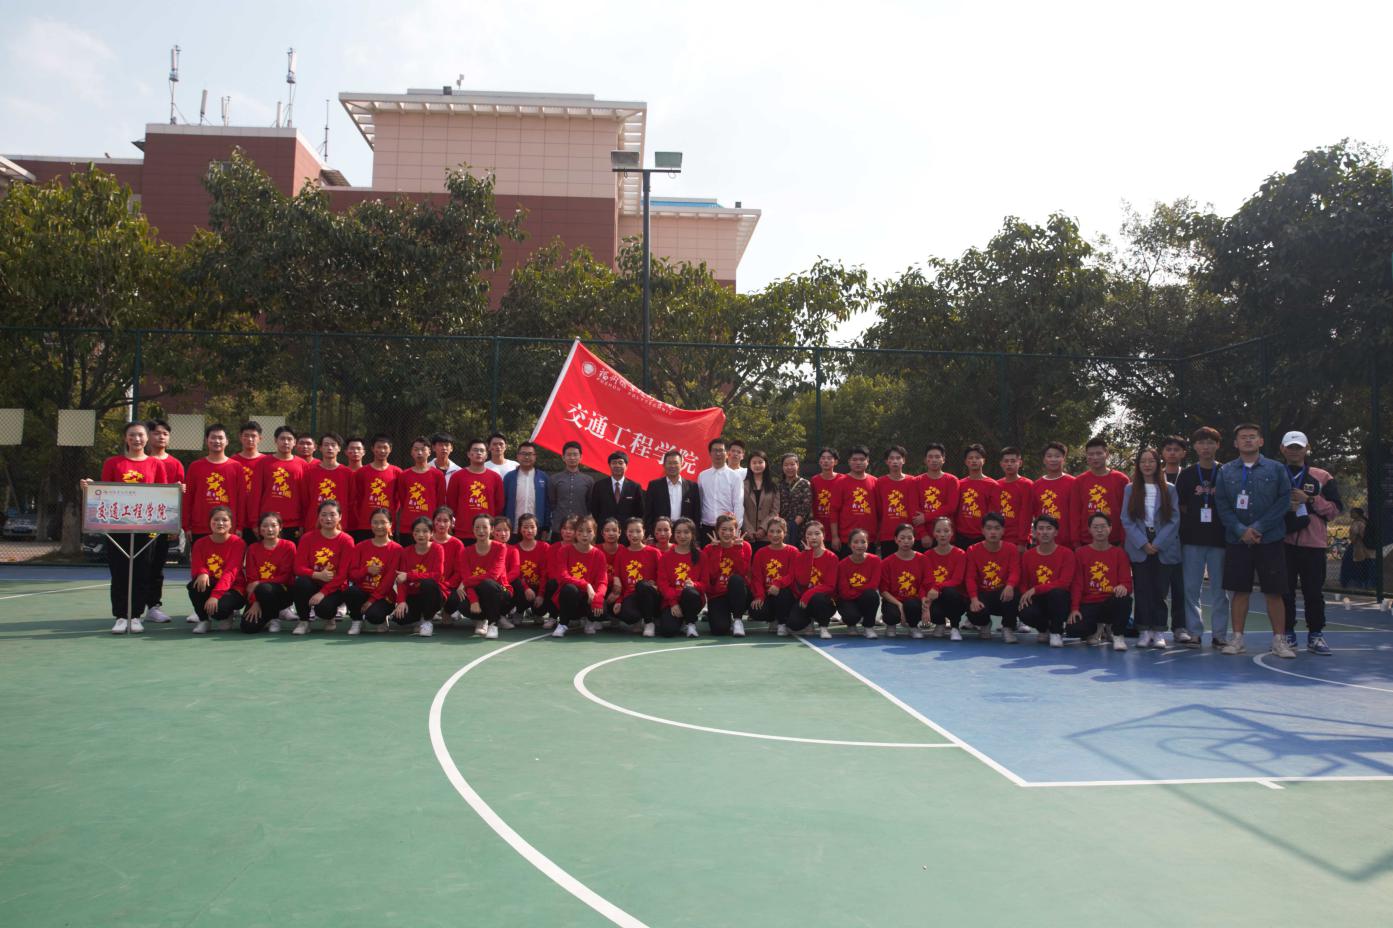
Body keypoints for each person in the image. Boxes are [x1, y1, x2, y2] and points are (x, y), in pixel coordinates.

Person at [1214, 423, 1295, 658]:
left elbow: (1283, 501)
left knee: (1274, 592)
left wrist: (1258, 528)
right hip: (1238, 541)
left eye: (1252, 437)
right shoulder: (1225, 471)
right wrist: (1241, 530)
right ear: (1235, 443)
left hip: (1270, 539)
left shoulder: (1276, 468)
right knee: (1239, 591)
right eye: (1243, 437)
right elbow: (1222, 505)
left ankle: (1279, 641)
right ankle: (1237, 639)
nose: (1248, 440)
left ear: (1261, 441)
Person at [82, 421, 165, 634]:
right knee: (119, 571)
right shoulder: (113, 463)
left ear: (147, 438)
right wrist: (90, 487)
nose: (137, 439)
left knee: (142, 571)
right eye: (132, 435)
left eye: (140, 435)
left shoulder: (156, 464)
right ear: (125, 438)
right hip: (118, 527)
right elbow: (104, 492)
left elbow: (163, 494)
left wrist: (176, 491)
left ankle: (135, 615)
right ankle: (121, 616)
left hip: (146, 527)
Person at [1280, 430, 1343, 656]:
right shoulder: (1275, 473)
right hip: (1283, 542)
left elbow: (1335, 510)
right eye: (1290, 447)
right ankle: (1287, 633)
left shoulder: (1322, 476)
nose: (1294, 451)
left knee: (1313, 592)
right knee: (1284, 592)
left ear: (1307, 448)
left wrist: (1311, 499)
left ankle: (1315, 634)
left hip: (1314, 544)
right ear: (1282, 449)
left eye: (1299, 447)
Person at [1121, 447, 1181, 649]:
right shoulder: (1130, 489)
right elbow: (1126, 519)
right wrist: (1143, 543)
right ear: (1138, 465)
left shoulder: (1169, 489)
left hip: (1163, 544)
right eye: (1143, 461)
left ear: (1158, 464)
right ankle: (1144, 630)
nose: (1147, 465)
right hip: (1139, 544)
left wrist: (1157, 543)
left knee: (1160, 590)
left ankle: (1159, 630)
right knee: (1142, 589)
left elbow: (1174, 519)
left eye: (1151, 461)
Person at [1176, 426, 1229, 648]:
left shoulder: (1226, 472)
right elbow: (1181, 505)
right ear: (1195, 447)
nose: (1206, 447)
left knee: (1220, 590)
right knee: (1191, 589)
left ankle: (1220, 634)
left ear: (1218, 445)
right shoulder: (1187, 474)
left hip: (1220, 539)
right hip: (1192, 539)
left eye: (1210, 442)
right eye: (1201, 442)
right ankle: (1194, 632)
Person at [1067, 513, 1133, 650]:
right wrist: (1074, 609)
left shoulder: (1119, 553)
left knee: (1125, 599)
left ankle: (1117, 634)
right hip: (1089, 603)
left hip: (1110, 601)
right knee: (1074, 629)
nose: (1099, 530)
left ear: (1110, 528)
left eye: (1103, 526)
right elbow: (1077, 584)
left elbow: (1127, 582)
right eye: (1095, 527)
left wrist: (1123, 586)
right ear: (1089, 530)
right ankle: (1097, 628)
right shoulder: (1080, 553)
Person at [289, 500, 355, 635]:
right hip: (313, 582)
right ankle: (304, 621)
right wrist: (317, 575)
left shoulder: (346, 540)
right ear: (318, 517)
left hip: (335, 587)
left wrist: (323, 593)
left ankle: (330, 617)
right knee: (301, 583)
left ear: (340, 517)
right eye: (324, 515)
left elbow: (343, 574)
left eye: (332, 514)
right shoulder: (307, 538)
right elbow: (298, 567)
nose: (328, 518)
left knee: (324, 610)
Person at [143, 418, 183, 626]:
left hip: (163, 524)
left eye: (165, 434)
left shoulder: (175, 464)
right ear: (148, 436)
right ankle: (131, 608)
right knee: (139, 565)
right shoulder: (139, 461)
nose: (161, 437)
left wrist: (175, 524)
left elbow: (180, 497)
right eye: (156, 433)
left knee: (157, 565)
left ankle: (153, 606)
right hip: (138, 523)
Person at [1018, 515, 1077, 647]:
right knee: (1025, 611)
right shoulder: (1028, 555)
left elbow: (1064, 583)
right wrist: (1024, 595)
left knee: (1057, 593)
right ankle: (1043, 628)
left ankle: (1056, 632)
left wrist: (1035, 589)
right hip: (1038, 599)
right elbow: (1023, 582)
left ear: (1056, 532)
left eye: (1049, 528)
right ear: (1034, 532)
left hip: (1059, 600)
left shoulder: (1067, 554)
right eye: (1041, 528)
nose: (1044, 532)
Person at [186, 506, 247, 634]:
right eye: (216, 519)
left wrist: (215, 596)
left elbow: (230, 572)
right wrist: (202, 572)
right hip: (212, 582)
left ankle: (227, 614)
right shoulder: (200, 543)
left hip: (234, 587)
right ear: (209, 522)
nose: (220, 523)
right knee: (195, 585)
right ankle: (204, 620)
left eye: (224, 520)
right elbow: (197, 565)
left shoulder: (238, 543)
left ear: (231, 524)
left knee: (220, 610)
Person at [183, 423, 243, 551]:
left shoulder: (236, 467)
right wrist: (186, 526)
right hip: (200, 527)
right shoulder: (195, 466)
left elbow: (241, 499)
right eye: (213, 437)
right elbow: (188, 498)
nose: (217, 441)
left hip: (227, 527)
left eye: (220, 438)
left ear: (227, 441)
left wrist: (239, 526)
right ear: (206, 441)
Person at [342, 509, 401, 636]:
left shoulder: (397, 549)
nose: (379, 526)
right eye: (375, 522)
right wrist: (366, 570)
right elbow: (351, 574)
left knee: (374, 616)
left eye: (383, 522)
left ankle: (382, 618)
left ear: (391, 524)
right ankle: (357, 620)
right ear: (370, 524)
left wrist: (371, 600)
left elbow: (389, 581)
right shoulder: (361, 546)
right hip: (362, 592)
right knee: (351, 592)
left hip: (383, 595)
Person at [551, 514, 609, 638]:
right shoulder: (565, 551)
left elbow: (602, 581)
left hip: (589, 597)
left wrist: (598, 598)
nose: (584, 535)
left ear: (594, 533)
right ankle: (563, 623)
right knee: (569, 589)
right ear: (575, 533)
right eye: (580, 531)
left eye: (589, 531)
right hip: (572, 596)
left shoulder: (599, 555)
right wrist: (586, 585)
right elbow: (563, 576)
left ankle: (590, 620)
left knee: (602, 610)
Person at [966, 513, 1021, 641]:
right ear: (982, 530)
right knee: (973, 611)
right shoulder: (973, 550)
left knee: (1014, 594)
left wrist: (1010, 585)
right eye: (989, 528)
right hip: (983, 593)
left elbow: (1015, 571)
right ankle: (985, 624)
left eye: (997, 528)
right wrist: (974, 599)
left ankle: (1007, 627)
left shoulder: (1011, 549)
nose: (993, 532)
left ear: (1003, 531)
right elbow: (970, 577)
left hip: (1002, 593)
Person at [388, 517, 446, 636]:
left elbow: (437, 575)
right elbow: (401, 578)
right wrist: (401, 601)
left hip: (433, 594)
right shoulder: (406, 552)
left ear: (431, 533)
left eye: (425, 531)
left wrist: (409, 575)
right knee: (400, 619)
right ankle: (419, 619)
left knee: (427, 583)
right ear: (413, 534)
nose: (421, 535)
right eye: (417, 531)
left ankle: (427, 620)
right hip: (413, 594)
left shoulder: (437, 549)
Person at [241, 511, 297, 634]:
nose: (269, 529)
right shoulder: (253, 548)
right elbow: (251, 579)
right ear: (259, 530)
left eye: (273, 525)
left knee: (264, 588)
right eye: (265, 526)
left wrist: (259, 584)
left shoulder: (289, 546)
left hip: (283, 591)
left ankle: (274, 618)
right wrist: (255, 601)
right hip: (259, 593)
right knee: (248, 627)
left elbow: (286, 576)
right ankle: (268, 615)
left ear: (280, 527)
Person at [456, 512, 509, 639]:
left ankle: (493, 624)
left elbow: (493, 576)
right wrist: (473, 601)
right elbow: (466, 577)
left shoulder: (500, 548)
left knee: (488, 584)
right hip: (477, 591)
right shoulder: (465, 552)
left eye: (485, 527)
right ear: (473, 529)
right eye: (477, 527)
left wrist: (465, 583)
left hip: (501, 590)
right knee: (461, 601)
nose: (481, 531)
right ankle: (481, 619)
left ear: (492, 529)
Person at [250, 426, 309, 541]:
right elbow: (255, 494)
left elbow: (305, 497)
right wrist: (254, 522)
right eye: (282, 439)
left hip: (293, 523)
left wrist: (303, 522)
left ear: (294, 442)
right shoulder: (263, 463)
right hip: (268, 522)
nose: (286, 442)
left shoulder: (302, 465)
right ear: (275, 440)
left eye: (289, 439)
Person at [700, 514, 752, 636]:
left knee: (736, 579)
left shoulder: (745, 546)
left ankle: (738, 620)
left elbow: (742, 573)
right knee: (720, 629)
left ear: (736, 531)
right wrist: (717, 550)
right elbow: (712, 575)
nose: (727, 533)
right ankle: (717, 615)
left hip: (738, 592)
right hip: (718, 594)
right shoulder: (708, 548)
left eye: (731, 530)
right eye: (723, 529)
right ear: (717, 530)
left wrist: (737, 549)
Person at [1159, 435, 1189, 639]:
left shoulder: (1188, 475)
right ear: (1162, 453)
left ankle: (1180, 627)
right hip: (1159, 539)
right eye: (1168, 449)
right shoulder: (1153, 475)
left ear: (1183, 453)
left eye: (1176, 449)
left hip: (1183, 537)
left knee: (1181, 585)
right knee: (1159, 586)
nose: (1172, 453)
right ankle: (1157, 626)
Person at [1075, 436, 1129, 546]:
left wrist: (1124, 540)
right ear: (1086, 456)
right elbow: (1075, 513)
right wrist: (1076, 542)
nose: (1095, 457)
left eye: (1099, 453)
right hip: (1086, 541)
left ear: (1107, 454)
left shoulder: (1121, 480)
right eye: (1091, 454)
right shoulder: (1079, 481)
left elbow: (1126, 514)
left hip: (1114, 540)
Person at [789, 521, 839, 638]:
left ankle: (823, 627)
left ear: (823, 536)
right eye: (809, 534)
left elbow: (830, 586)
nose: (813, 537)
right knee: (793, 624)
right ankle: (809, 621)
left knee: (818, 598)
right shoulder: (800, 556)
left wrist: (808, 595)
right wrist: (807, 555)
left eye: (817, 533)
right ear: (805, 537)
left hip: (824, 601)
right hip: (804, 600)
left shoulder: (832, 557)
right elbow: (802, 582)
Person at [922, 516, 969, 639]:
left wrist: (937, 587)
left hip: (955, 597)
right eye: (938, 531)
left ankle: (955, 627)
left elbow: (957, 580)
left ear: (952, 533)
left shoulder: (960, 554)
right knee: (926, 606)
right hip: (935, 596)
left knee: (950, 591)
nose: (942, 534)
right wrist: (926, 600)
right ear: (933, 534)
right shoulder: (927, 555)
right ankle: (940, 623)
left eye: (946, 531)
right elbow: (926, 580)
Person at [657, 517, 705, 638]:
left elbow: (706, 584)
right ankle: (680, 621)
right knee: (668, 631)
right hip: (672, 600)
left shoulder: (701, 556)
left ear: (692, 534)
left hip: (692, 599)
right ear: (674, 534)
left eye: (686, 532)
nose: (682, 536)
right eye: (678, 532)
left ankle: (690, 623)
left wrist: (694, 585)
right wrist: (673, 603)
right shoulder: (666, 557)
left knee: (689, 592)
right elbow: (663, 585)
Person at [614, 517, 662, 636]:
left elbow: (663, 575)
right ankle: (639, 619)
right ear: (626, 533)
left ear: (644, 532)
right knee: (627, 615)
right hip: (631, 595)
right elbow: (620, 583)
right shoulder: (621, 554)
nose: (634, 535)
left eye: (638, 531)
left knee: (642, 585)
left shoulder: (654, 552)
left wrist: (656, 586)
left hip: (651, 594)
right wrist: (619, 601)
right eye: (631, 531)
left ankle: (649, 622)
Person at [881, 522, 930, 638]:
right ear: (896, 540)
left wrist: (925, 605)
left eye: (909, 538)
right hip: (894, 600)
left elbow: (926, 584)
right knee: (892, 614)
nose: (906, 541)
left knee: (913, 605)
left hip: (914, 600)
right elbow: (883, 590)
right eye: (902, 538)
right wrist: (899, 605)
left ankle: (913, 626)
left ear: (914, 539)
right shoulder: (887, 562)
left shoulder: (923, 559)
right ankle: (891, 625)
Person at [446, 438, 504, 533]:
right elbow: (451, 503)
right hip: (463, 530)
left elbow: (499, 505)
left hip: (487, 531)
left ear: (486, 455)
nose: (479, 453)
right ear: (468, 454)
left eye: (482, 450)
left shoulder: (495, 477)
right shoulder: (457, 476)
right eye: (475, 450)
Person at [751, 516, 798, 634]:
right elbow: (756, 578)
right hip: (768, 594)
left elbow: (792, 575)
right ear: (767, 533)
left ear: (785, 533)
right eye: (771, 531)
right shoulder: (760, 553)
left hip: (785, 595)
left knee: (783, 592)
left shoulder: (793, 551)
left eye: (779, 531)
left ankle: (782, 623)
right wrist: (760, 596)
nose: (775, 535)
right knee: (756, 611)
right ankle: (773, 619)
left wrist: (778, 584)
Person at [395, 437, 446, 544]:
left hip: (430, 526)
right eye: (416, 449)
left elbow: (440, 501)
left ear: (429, 452)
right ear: (411, 452)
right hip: (408, 527)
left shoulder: (438, 475)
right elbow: (403, 500)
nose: (419, 453)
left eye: (423, 449)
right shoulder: (404, 475)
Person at [302, 433, 354, 533]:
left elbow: (351, 501)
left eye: (333, 445)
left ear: (339, 448)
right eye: (326, 445)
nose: (330, 448)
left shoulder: (347, 473)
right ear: (320, 448)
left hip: (339, 527)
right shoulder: (309, 472)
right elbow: (304, 500)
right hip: (313, 525)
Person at [353, 434, 401, 543]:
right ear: (372, 449)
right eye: (379, 447)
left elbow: (398, 499)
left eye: (385, 447)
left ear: (390, 449)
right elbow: (357, 497)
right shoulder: (361, 472)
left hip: (387, 523)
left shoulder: (397, 472)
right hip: (365, 524)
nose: (382, 451)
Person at [837, 528, 883, 638]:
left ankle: (868, 627)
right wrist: (861, 591)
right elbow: (844, 592)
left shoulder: (875, 561)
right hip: (848, 600)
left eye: (863, 542)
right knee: (851, 616)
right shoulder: (842, 565)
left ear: (868, 544)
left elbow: (873, 586)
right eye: (856, 542)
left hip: (865, 597)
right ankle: (851, 624)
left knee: (871, 595)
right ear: (849, 544)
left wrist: (856, 591)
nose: (859, 545)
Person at [697, 438, 744, 546]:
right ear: (710, 453)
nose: (718, 454)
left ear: (727, 453)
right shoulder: (702, 476)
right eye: (715, 450)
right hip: (707, 527)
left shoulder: (735, 476)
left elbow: (738, 503)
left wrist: (736, 529)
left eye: (721, 450)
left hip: (727, 529)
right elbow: (700, 501)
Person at [1031, 441, 1077, 549]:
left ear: (1064, 459)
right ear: (1044, 460)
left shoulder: (1073, 483)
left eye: (1057, 456)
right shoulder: (1036, 485)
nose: (1053, 459)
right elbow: (1034, 513)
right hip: (1043, 543)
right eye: (1049, 456)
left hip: (1068, 543)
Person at [645, 448, 701, 536]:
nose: (672, 466)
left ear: (681, 465)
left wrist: (695, 535)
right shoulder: (654, 485)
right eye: (669, 463)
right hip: (662, 533)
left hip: (684, 533)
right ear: (664, 465)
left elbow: (696, 513)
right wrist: (649, 533)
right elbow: (648, 512)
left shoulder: (692, 486)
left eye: (675, 463)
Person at [914, 443, 959, 550]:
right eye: (930, 457)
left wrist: (926, 517)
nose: (934, 460)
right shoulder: (916, 481)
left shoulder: (952, 480)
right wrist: (923, 534)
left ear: (943, 459)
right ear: (925, 460)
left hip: (946, 536)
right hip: (923, 537)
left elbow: (951, 507)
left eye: (937, 457)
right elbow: (914, 510)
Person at [875, 446, 919, 557]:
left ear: (903, 460)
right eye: (891, 458)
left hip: (908, 535)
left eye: (898, 458)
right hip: (888, 535)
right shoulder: (880, 482)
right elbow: (879, 509)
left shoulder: (912, 481)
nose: (895, 461)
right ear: (886, 461)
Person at [837, 445, 878, 557]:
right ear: (849, 461)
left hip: (869, 538)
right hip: (846, 538)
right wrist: (835, 536)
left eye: (861, 459)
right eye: (854, 460)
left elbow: (879, 510)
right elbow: (834, 511)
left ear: (867, 461)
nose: (858, 462)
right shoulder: (840, 482)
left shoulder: (875, 482)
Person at [546, 441, 592, 541]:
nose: (572, 458)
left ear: (581, 457)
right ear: (563, 457)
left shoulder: (588, 480)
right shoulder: (554, 479)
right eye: (569, 455)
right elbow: (552, 502)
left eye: (575, 455)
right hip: (559, 527)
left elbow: (589, 504)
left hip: (580, 527)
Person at [955, 444, 999, 548]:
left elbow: (993, 514)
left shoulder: (993, 485)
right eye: (970, 458)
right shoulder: (959, 484)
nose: (974, 460)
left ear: (984, 460)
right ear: (966, 461)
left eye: (977, 458)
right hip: (961, 535)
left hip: (983, 536)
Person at [503, 441, 549, 536]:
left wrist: (546, 527)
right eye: (523, 454)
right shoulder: (509, 477)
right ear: (518, 456)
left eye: (530, 454)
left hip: (536, 530)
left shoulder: (543, 477)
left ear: (535, 456)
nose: (527, 457)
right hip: (513, 528)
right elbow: (503, 502)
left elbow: (547, 504)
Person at [430, 507, 466, 625]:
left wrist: (446, 585)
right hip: (430, 582)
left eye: (445, 521)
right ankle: (426, 615)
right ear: (433, 521)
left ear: (451, 523)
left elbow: (459, 571)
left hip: (450, 585)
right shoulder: (427, 540)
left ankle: (447, 612)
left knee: (456, 596)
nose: (441, 524)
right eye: (438, 520)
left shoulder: (457, 544)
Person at [590, 450, 645, 525]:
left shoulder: (635, 487)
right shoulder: (599, 486)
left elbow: (640, 512)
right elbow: (594, 510)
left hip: (627, 529)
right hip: (605, 528)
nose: (617, 465)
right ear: (609, 465)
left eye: (620, 463)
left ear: (626, 466)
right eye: (614, 463)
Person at [513, 513, 550, 620]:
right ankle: (519, 611)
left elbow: (545, 573)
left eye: (532, 527)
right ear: (520, 529)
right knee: (513, 583)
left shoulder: (545, 547)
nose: (529, 530)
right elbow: (515, 574)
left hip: (539, 588)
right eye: (525, 527)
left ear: (537, 529)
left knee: (541, 610)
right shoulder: (514, 549)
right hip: (522, 589)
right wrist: (526, 589)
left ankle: (536, 613)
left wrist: (541, 595)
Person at [741, 450, 779, 551]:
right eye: (754, 462)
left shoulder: (773, 486)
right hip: (747, 535)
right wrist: (748, 529)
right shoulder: (742, 485)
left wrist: (763, 528)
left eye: (760, 462)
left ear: (765, 464)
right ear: (749, 465)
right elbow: (740, 508)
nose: (757, 465)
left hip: (767, 535)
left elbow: (775, 511)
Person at [997, 447, 1034, 550]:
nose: (1009, 464)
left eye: (1013, 461)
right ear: (1001, 464)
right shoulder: (996, 485)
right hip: (998, 539)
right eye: (1006, 461)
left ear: (1020, 463)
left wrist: (1022, 541)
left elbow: (1026, 515)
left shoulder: (1027, 485)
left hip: (1018, 541)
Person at [234, 421, 264, 545]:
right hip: (236, 519)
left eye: (253, 436)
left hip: (260, 519)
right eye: (246, 435)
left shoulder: (266, 462)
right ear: (240, 437)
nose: (250, 439)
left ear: (260, 438)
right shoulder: (232, 462)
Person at [810, 448, 845, 551]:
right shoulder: (814, 480)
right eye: (823, 458)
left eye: (829, 458)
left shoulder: (842, 479)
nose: (826, 461)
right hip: (820, 529)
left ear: (836, 461)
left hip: (840, 530)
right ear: (819, 461)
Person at [491, 517, 522, 628]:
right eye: (499, 530)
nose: (503, 533)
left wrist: (502, 582)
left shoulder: (513, 550)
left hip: (504, 584)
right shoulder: (487, 547)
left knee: (518, 585)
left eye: (506, 530)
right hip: (489, 583)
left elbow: (515, 571)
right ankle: (486, 618)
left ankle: (501, 615)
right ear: (492, 531)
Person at [776, 453, 811, 547]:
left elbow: (806, 505)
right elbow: (776, 505)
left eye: (792, 464)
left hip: (801, 527)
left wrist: (795, 524)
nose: (789, 467)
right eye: (786, 465)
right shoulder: (779, 485)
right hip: (783, 527)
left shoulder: (804, 483)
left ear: (797, 465)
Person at [1341, 507, 1376, 589]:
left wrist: (1354, 538)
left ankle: (1353, 583)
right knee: (1364, 565)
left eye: (1352, 512)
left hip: (1358, 546)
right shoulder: (1364, 521)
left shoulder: (1358, 523)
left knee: (1352, 564)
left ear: (1358, 514)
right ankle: (1364, 583)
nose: (1351, 514)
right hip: (1363, 546)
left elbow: (1356, 536)